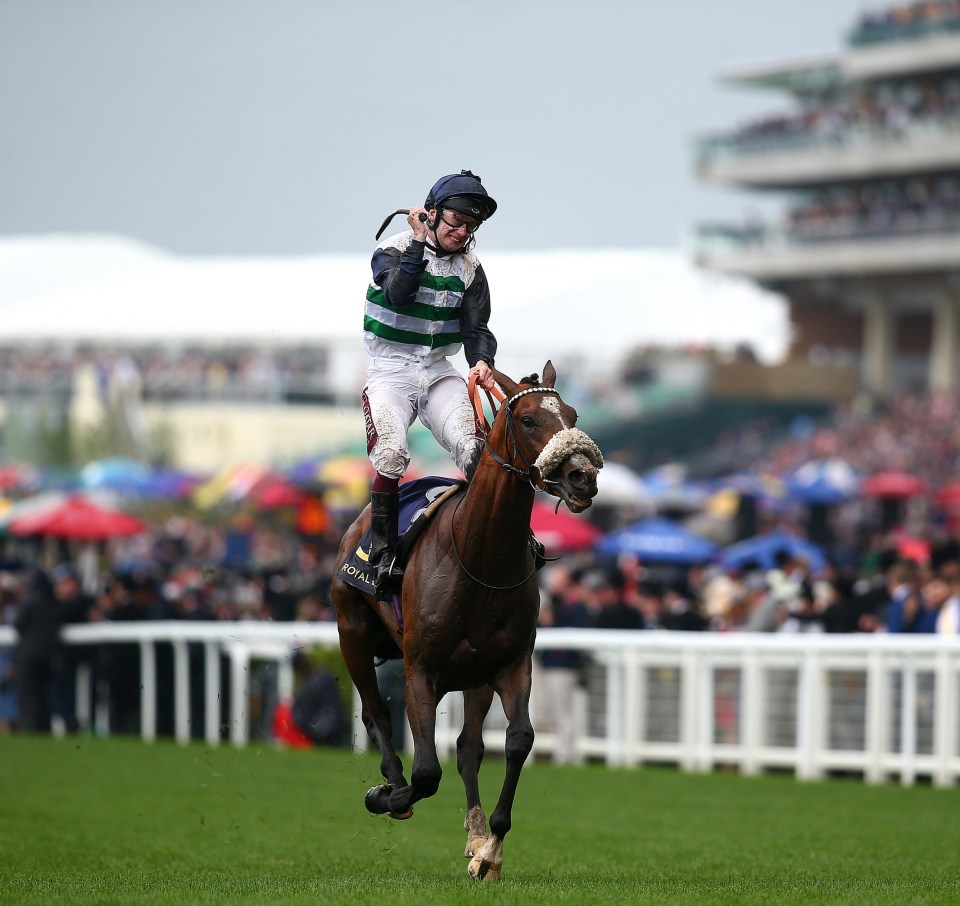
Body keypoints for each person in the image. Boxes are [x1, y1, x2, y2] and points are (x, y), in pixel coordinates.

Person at [363, 169, 499, 598]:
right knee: (391, 455)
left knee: (474, 448)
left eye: (471, 226)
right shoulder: (392, 250)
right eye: (456, 221)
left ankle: (493, 543)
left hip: (439, 370)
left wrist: (481, 362)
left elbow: (478, 328)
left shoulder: (471, 269)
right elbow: (399, 294)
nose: (463, 232)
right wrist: (420, 242)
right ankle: (381, 552)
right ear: (431, 213)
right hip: (390, 371)